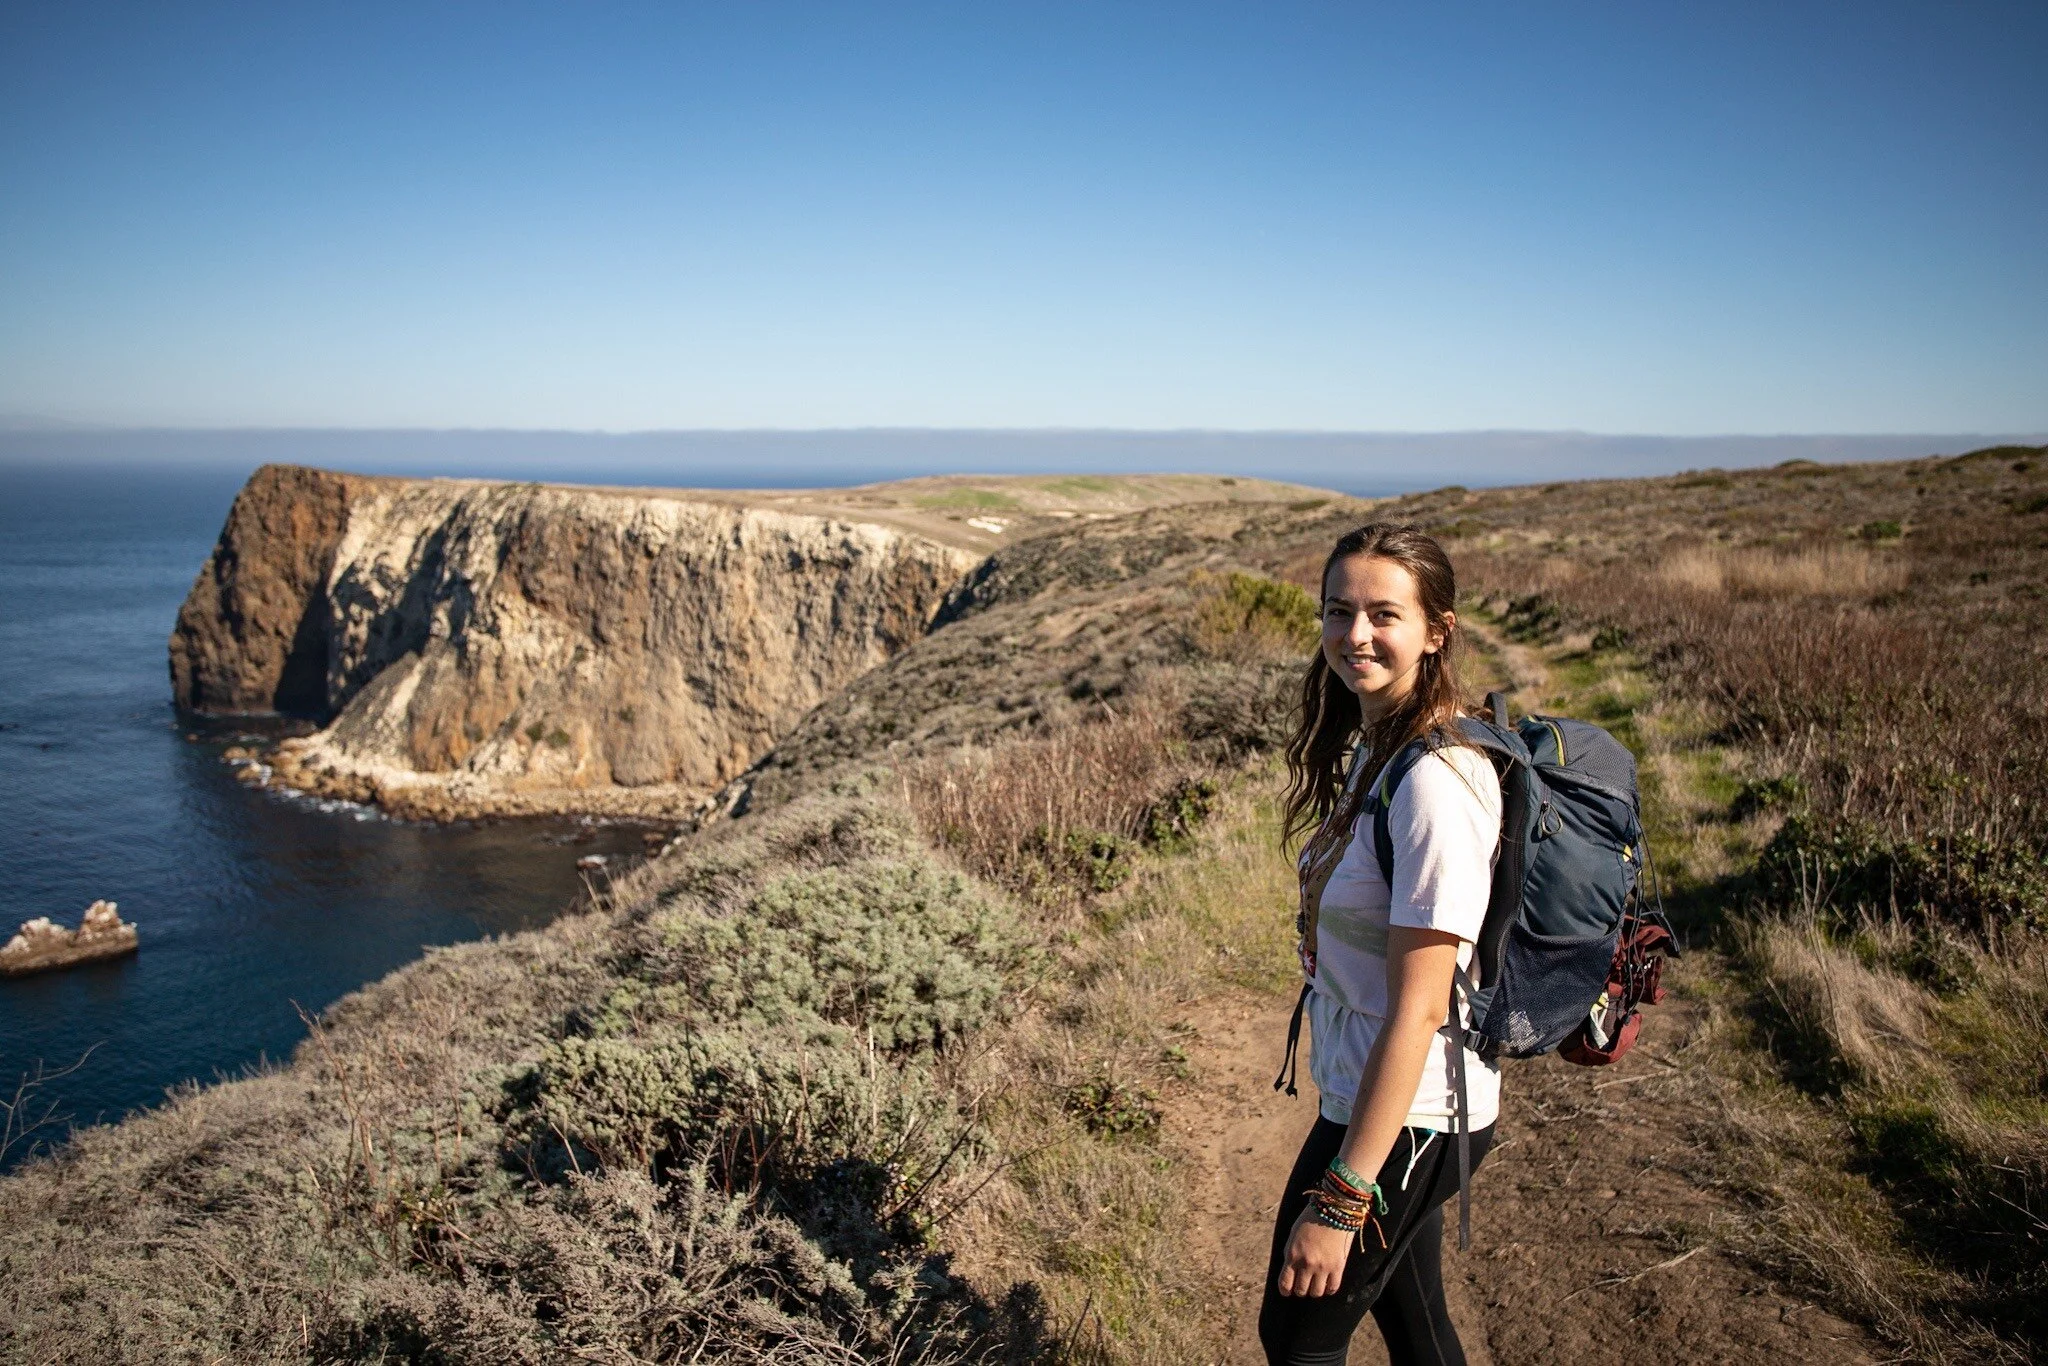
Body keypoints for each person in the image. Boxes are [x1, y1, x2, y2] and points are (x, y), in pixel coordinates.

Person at [1258, 523, 1501, 1366]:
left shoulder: (1437, 783)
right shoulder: (1382, 750)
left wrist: (1342, 1198)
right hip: (1374, 1096)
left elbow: (1424, 1005)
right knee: (1418, 1324)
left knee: (1297, 1338)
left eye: (1383, 615)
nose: (1355, 634)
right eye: (1338, 610)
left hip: (1413, 1114)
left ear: (1437, 631)